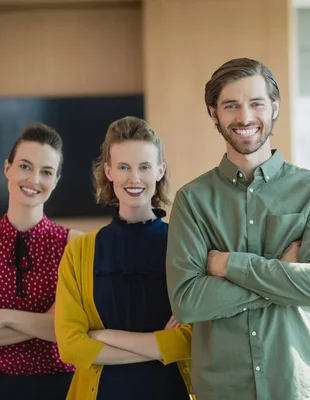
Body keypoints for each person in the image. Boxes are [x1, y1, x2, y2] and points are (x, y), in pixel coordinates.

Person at [165, 57, 310, 400]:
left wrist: (229, 266)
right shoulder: (192, 200)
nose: (245, 117)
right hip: (222, 391)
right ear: (213, 113)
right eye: (231, 105)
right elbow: (187, 301)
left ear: (274, 107)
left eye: (256, 103)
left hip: (303, 388)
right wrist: (284, 274)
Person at [54, 116, 193, 400]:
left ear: (159, 170)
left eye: (144, 167)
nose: (134, 178)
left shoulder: (186, 246)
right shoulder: (79, 251)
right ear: (108, 171)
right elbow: (70, 347)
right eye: (123, 167)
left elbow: (191, 340)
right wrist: (158, 348)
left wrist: (103, 336)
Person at [0, 123, 77, 399]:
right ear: (8, 168)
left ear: (56, 180)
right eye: (25, 166)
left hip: (61, 383)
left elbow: (65, 329)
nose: (34, 179)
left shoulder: (74, 244)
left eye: (46, 172)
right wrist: (45, 324)